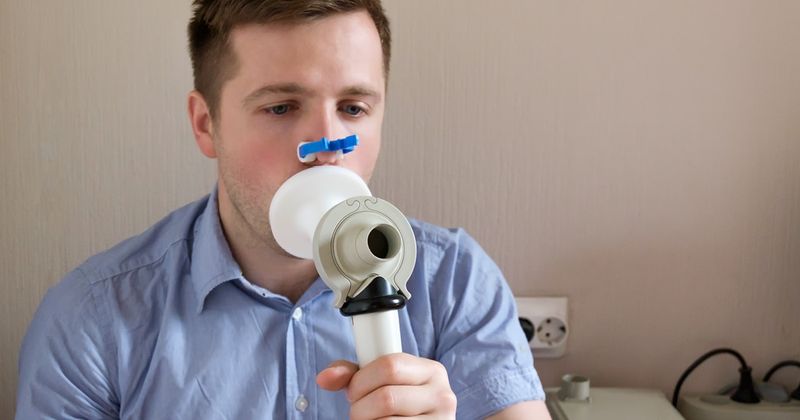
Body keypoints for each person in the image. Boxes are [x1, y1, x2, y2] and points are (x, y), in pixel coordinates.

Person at [16, 1, 549, 419]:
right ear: (206, 124)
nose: (327, 142)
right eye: (281, 107)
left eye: (353, 108)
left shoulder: (453, 280)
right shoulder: (94, 318)